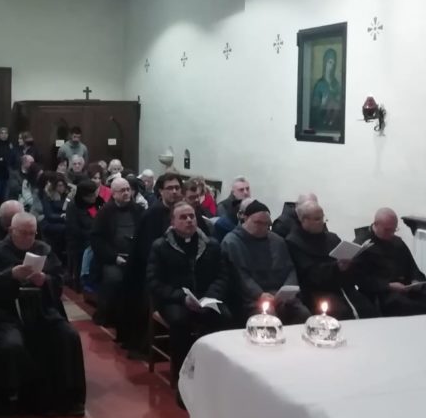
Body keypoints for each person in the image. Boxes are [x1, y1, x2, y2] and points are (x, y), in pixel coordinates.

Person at [0, 213, 86, 417]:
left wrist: (45, 280)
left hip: (42, 309)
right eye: (23, 233)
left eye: (32, 233)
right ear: (11, 231)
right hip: (9, 311)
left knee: (69, 336)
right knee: (11, 345)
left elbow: (58, 280)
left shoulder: (43, 249)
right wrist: (11, 275)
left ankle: (70, 397)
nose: (28, 238)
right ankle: (12, 398)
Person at [147, 202, 231, 403]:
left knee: (225, 317)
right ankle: (182, 377)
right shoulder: (160, 246)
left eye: (192, 216)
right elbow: (154, 282)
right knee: (180, 322)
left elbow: (222, 276)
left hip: (205, 298)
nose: (189, 221)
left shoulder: (211, 245)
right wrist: (181, 297)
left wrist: (210, 295)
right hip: (174, 300)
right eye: (183, 217)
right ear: (173, 222)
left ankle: (214, 371)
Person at [124, 172, 186, 354]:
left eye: (177, 188)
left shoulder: (186, 212)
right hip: (153, 273)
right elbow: (146, 251)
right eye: (170, 188)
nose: (174, 192)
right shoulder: (152, 215)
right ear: (160, 191)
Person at [221, 200, 310, 325]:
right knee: (268, 319)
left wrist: (288, 291)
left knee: (303, 314)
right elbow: (240, 275)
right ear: (245, 219)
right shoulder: (232, 242)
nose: (262, 227)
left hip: (279, 295)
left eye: (266, 224)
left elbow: (290, 269)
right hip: (250, 298)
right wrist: (260, 294)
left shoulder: (277, 241)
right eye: (258, 223)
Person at [285, 200, 378, 320]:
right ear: (303, 220)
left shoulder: (331, 237)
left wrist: (348, 265)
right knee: (341, 313)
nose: (322, 222)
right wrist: (336, 268)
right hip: (317, 292)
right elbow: (308, 274)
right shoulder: (293, 242)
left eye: (322, 218)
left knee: (369, 310)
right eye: (317, 219)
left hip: (343, 288)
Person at [354, 208, 426, 316]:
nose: (391, 233)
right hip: (381, 293)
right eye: (387, 230)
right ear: (376, 224)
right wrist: (388, 286)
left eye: (394, 230)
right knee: (407, 307)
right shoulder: (361, 244)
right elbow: (361, 279)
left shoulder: (396, 242)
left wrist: (416, 281)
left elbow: (412, 268)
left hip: (404, 289)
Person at [90, 177, 143, 330]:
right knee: (114, 279)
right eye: (122, 191)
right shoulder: (104, 212)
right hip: (112, 259)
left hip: (135, 257)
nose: (126, 193)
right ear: (113, 194)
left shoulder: (138, 210)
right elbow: (97, 240)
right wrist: (114, 257)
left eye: (128, 189)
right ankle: (110, 316)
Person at [66, 179, 99, 289]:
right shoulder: (73, 206)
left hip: (94, 236)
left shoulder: (96, 203)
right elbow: (74, 229)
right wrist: (93, 235)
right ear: (83, 196)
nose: (94, 197)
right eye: (91, 196)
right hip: (79, 241)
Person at [310, 48, 342, 130]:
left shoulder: (336, 84)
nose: (332, 66)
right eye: (330, 62)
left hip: (335, 127)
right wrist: (322, 104)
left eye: (334, 63)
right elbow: (313, 112)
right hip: (321, 126)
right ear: (325, 63)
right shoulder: (319, 85)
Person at [213, 176, 252, 243]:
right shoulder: (223, 206)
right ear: (233, 192)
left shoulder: (252, 206)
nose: (246, 192)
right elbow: (226, 227)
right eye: (241, 190)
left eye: (247, 189)